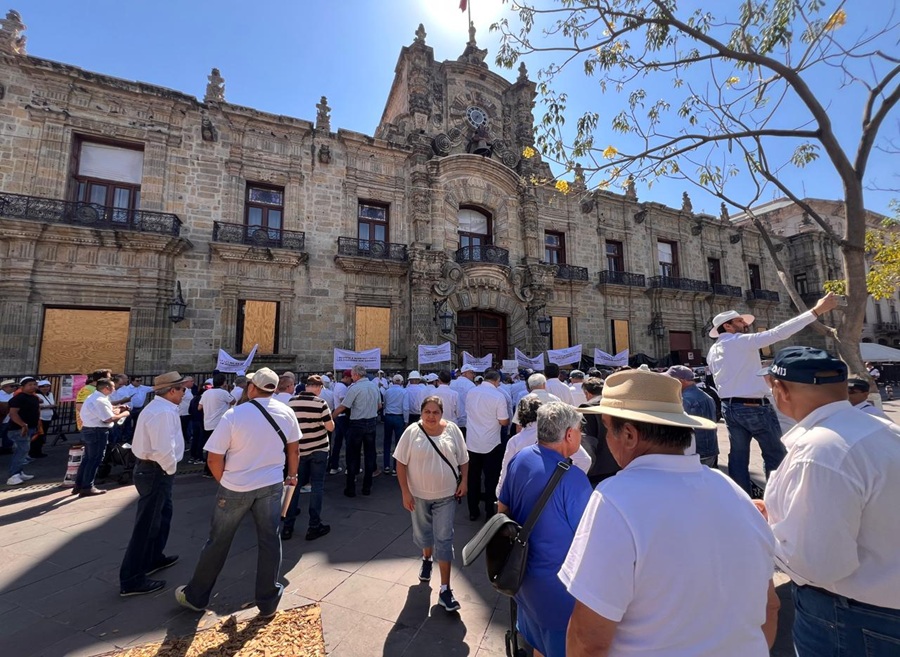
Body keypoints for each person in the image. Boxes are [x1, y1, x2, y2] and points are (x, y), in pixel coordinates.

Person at [562, 370, 779, 656]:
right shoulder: (733, 490)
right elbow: (771, 606)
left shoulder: (614, 498)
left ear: (628, 434)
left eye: (607, 428)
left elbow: (588, 637)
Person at [761, 347, 900, 655]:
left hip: (851, 617)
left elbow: (820, 565)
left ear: (779, 389)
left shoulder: (820, 452)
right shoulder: (883, 429)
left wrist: (764, 530)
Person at [176, 368, 300, 617]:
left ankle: (196, 596)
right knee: (269, 540)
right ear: (274, 389)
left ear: (252, 387)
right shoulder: (286, 412)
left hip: (235, 486)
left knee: (218, 542)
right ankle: (267, 601)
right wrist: (292, 476)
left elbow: (213, 459)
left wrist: (226, 482)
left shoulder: (234, 415)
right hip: (271, 485)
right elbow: (294, 451)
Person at [706, 291, 839, 494]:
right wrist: (815, 311)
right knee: (774, 454)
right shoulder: (739, 342)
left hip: (729, 407)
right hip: (754, 406)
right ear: (728, 326)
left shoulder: (714, 351)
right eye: (740, 321)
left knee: (738, 456)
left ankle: (741, 498)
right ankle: (777, 497)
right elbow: (777, 333)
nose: (745, 324)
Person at [498, 402, 593, 657]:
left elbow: (502, 508)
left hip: (523, 579)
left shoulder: (522, 457)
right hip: (558, 593)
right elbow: (590, 542)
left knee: (536, 645)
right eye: (579, 431)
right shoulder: (574, 479)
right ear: (569, 435)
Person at [394, 396, 468, 612]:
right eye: (427, 412)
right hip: (418, 495)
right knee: (423, 534)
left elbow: (463, 459)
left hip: (446, 495)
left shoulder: (453, 430)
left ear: (442, 414)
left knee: (444, 538)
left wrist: (464, 481)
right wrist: (405, 492)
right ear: (421, 412)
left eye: (436, 412)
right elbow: (400, 462)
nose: (431, 416)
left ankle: (445, 589)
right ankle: (427, 558)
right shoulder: (412, 432)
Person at [119, 372, 187, 596]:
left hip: (155, 470)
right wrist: (170, 468)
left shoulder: (160, 409)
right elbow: (162, 448)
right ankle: (131, 578)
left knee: (161, 516)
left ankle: (153, 558)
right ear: (172, 390)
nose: (184, 393)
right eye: (182, 389)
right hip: (156, 470)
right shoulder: (162, 413)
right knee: (147, 523)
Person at [497, 397, 592, 496]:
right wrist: (565, 482)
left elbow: (506, 472)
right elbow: (584, 460)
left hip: (523, 493)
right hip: (554, 492)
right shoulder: (556, 433)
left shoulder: (515, 441)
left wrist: (500, 493)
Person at [283, 375, 334, 541]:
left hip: (299, 450)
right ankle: (314, 525)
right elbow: (330, 427)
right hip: (318, 448)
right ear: (319, 388)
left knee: (294, 485)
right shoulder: (320, 403)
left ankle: (287, 527)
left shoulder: (292, 402)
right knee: (317, 486)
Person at [464, 369, 510, 521]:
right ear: (497, 381)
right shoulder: (498, 395)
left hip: (472, 442)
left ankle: (472, 510)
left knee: (473, 477)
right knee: (491, 479)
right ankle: (490, 511)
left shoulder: (471, 392)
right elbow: (503, 421)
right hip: (491, 443)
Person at [332, 364, 381, 497]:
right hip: (371, 422)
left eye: (353, 375)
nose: (352, 377)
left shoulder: (355, 388)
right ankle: (367, 487)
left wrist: (331, 417)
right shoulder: (374, 386)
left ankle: (351, 488)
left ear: (356, 375)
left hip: (357, 423)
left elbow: (343, 406)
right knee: (370, 454)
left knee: (353, 455)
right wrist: (370, 411)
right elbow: (379, 405)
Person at [76, 378, 130, 496]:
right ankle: (87, 486)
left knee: (88, 459)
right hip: (97, 431)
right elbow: (108, 419)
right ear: (106, 388)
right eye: (113, 387)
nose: (115, 389)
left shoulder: (95, 397)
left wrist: (118, 409)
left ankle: (79, 484)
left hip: (89, 429)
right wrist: (124, 414)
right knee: (95, 459)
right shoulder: (100, 400)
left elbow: (106, 412)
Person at [666, 365, 719, 467]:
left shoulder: (686, 399)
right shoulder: (707, 396)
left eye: (671, 380)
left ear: (681, 381)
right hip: (711, 450)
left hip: (697, 452)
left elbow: (682, 429)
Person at [578, 377, 620, 487]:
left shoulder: (587, 408)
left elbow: (587, 443)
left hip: (597, 474)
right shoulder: (617, 404)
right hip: (619, 468)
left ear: (587, 393)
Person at [6, 377, 41, 486]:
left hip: (30, 428)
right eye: (30, 385)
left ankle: (19, 472)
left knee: (23, 451)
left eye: (34, 384)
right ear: (22, 387)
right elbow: (13, 413)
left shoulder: (34, 398)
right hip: (18, 429)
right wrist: (22, 425)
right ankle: (14, 475)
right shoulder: (18, 398)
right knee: (22, 450)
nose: (33, 386)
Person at [196, 374, 235, 472]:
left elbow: (199, 407)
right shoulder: (223, 393)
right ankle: (216, 470)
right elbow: (233, 401)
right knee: (221, 449)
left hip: (208, 423)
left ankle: (208, 469)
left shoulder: (206, 393)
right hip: (219, 424)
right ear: (224, 383)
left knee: (210, 448)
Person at [327, 369, 352, 475]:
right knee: (349, 442)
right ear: (346, 377)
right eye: (351, 378)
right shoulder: (342, 387)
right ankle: (349, 467)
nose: (352, 381)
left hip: (339, 418)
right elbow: (344, 403)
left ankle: (334, 465)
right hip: (343, 417)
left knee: (338, 442)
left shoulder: (338, 385)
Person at [381, 374, 407, 475]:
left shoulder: (387, 391)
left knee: (387, 441)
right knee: (398, 443)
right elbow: (405, 407)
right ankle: (396, 467)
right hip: (398, 417)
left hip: (388, 416)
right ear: (401, 382)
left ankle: (386, 466)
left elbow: (385, 404)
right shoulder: (404, 392)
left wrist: (384, 415)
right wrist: (406, 420)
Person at [449, 364, 476, 436]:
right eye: (472, 372)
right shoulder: (471, 385)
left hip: (452, 420)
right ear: (465, 373)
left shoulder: (451, 383)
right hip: (465, 421)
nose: (473, 375)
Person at [31, 379, 55, 458]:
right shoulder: (36, 395)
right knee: (38, 435)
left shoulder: (50, 394)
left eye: (47, 386)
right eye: (43, 387)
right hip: (40, 417)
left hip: (48, 417)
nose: (45, 388)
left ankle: (39, 450)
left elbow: (52, 403)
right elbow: (36, 406)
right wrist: (47, 406)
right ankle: (34, 451)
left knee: (43, 435)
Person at [0, 379, 18, 455]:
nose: (14, 387)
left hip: (11, 418)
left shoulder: (14, 394)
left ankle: (7, 448)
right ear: (5, 387)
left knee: (8, 434)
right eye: (12, 386)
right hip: (2, 418)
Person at [178, 376, 194, 449]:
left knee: (186, 429)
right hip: (183, 413)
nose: (193, 383)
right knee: (183, 429)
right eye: (191, 381)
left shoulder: (189, 390)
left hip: (188, 413)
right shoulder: (183, 390)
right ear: (186, 382)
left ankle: (186, 442)